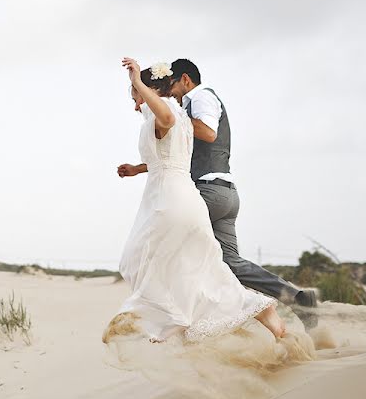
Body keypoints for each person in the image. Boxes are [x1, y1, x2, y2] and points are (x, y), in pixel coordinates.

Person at [105, 58, 286, 345]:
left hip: (171, 201)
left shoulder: (165, 115)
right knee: (199, 268)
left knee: (138, 258)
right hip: (183, 198)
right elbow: (167, 157)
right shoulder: (181, 118)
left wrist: (137, 80)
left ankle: (172, 316)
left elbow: (165, 120)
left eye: (136, 97)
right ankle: (263, 312)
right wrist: (138, 168)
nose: (136, 105)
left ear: (150, 91)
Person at [167, 58, 317, 308]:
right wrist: (139, 168)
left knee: (171, 245)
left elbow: (208, 132)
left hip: (208, 192)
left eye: (171, 86)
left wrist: (173, 117)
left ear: (185, 79)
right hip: (224, 194)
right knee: (231, 265)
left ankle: (188, 317)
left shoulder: (201, 96)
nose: (170, 94)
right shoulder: (189, 105)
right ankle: (298, 299)